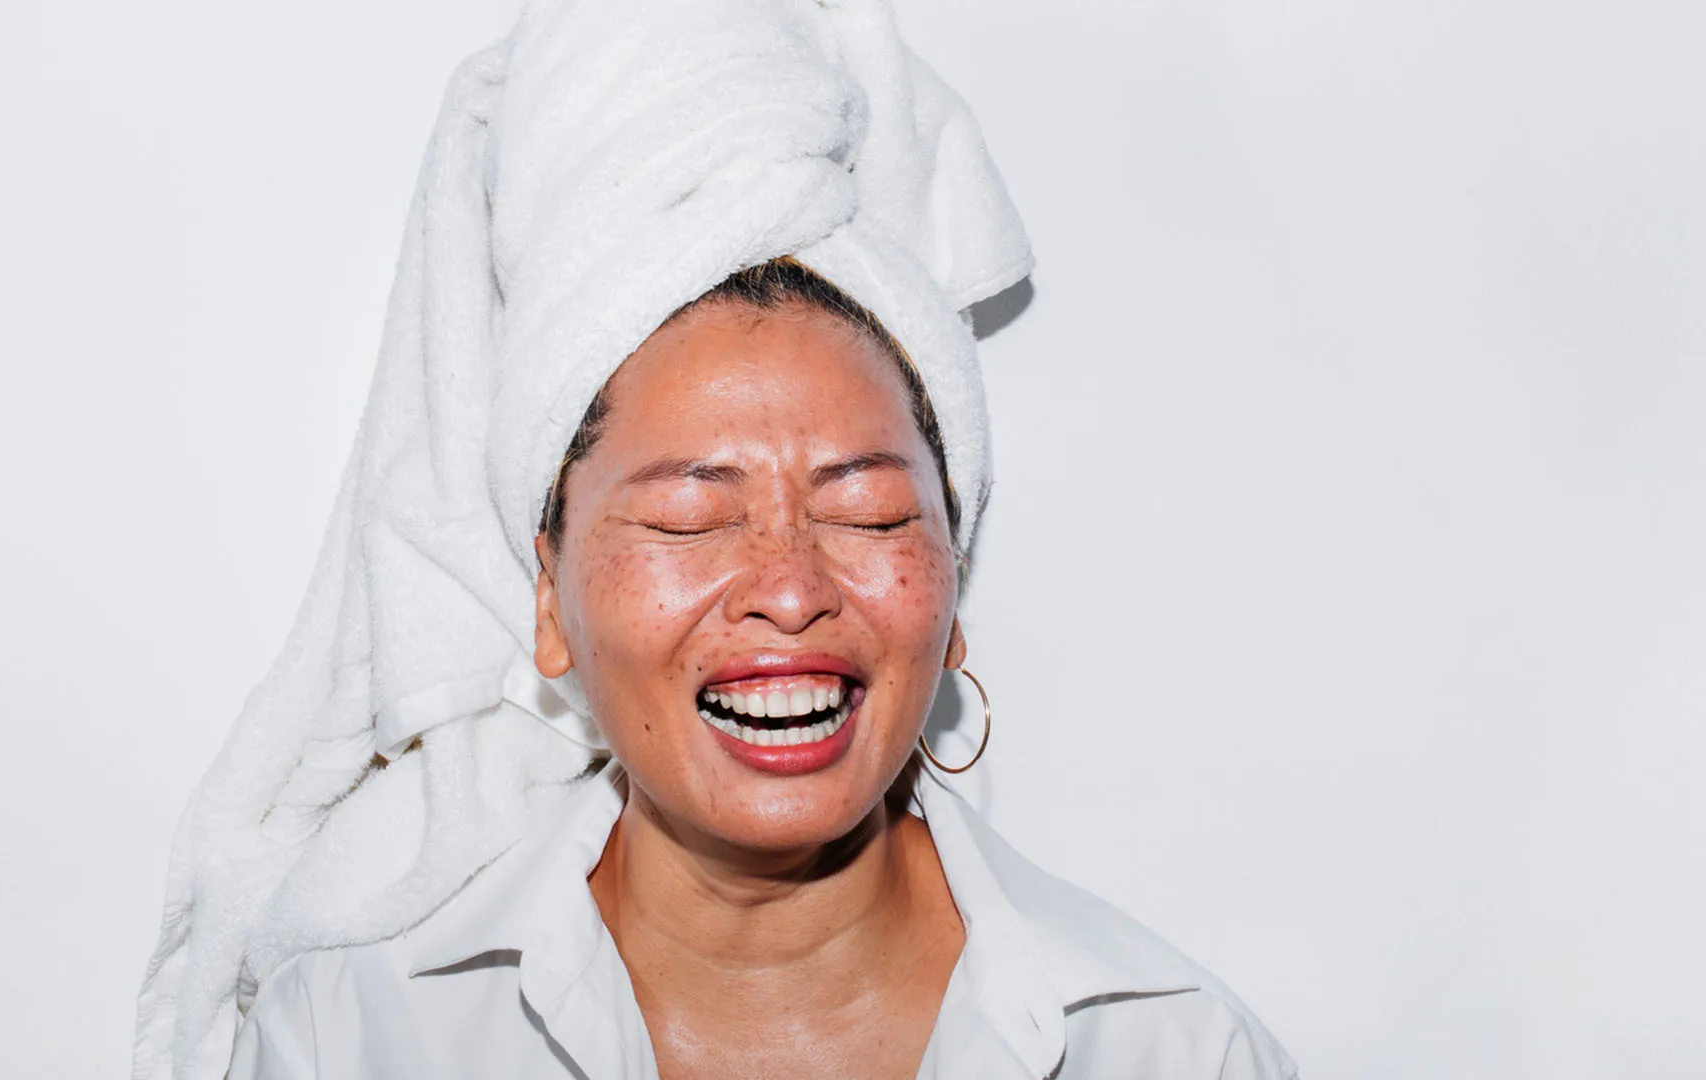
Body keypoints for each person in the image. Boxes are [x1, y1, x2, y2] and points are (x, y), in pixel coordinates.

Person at [135, 2, 1296, 1078]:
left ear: (950, 587)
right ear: (548, 601)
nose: (789, 590)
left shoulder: (1172, 1047)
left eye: (870, 512)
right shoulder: (356, 1042)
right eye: (690, 514)